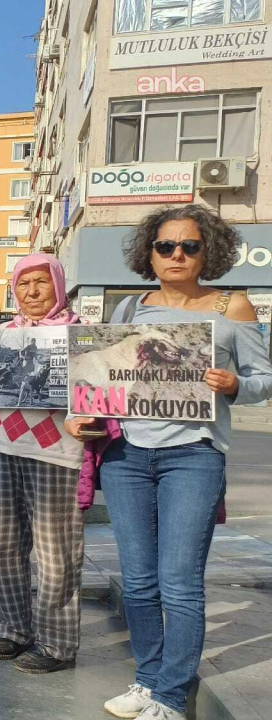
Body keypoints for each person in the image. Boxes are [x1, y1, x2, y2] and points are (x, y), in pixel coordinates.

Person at [67, 205, 272, 720]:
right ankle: (148, 678)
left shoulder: (233, 306)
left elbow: (264, 380)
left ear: (209, 251)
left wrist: (236, 385)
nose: (177, 254)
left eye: (189, 246)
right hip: (127, 457)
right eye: (165, 246)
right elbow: (103, 382)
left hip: (194, 457)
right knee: (137, 579)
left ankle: (172, 695)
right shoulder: (129, 309)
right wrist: (84, 417)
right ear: (149, 253)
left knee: (179, 581)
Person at [0, 254, 87, 674]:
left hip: (56, 451)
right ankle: (14, 630)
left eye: (42, 282)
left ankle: (57, 644)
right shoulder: (0, 334)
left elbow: (99, 390)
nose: (33, 292)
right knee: (3, 545)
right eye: (24, 284)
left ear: (58, 285)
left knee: (55, 551)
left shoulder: (79, 333)